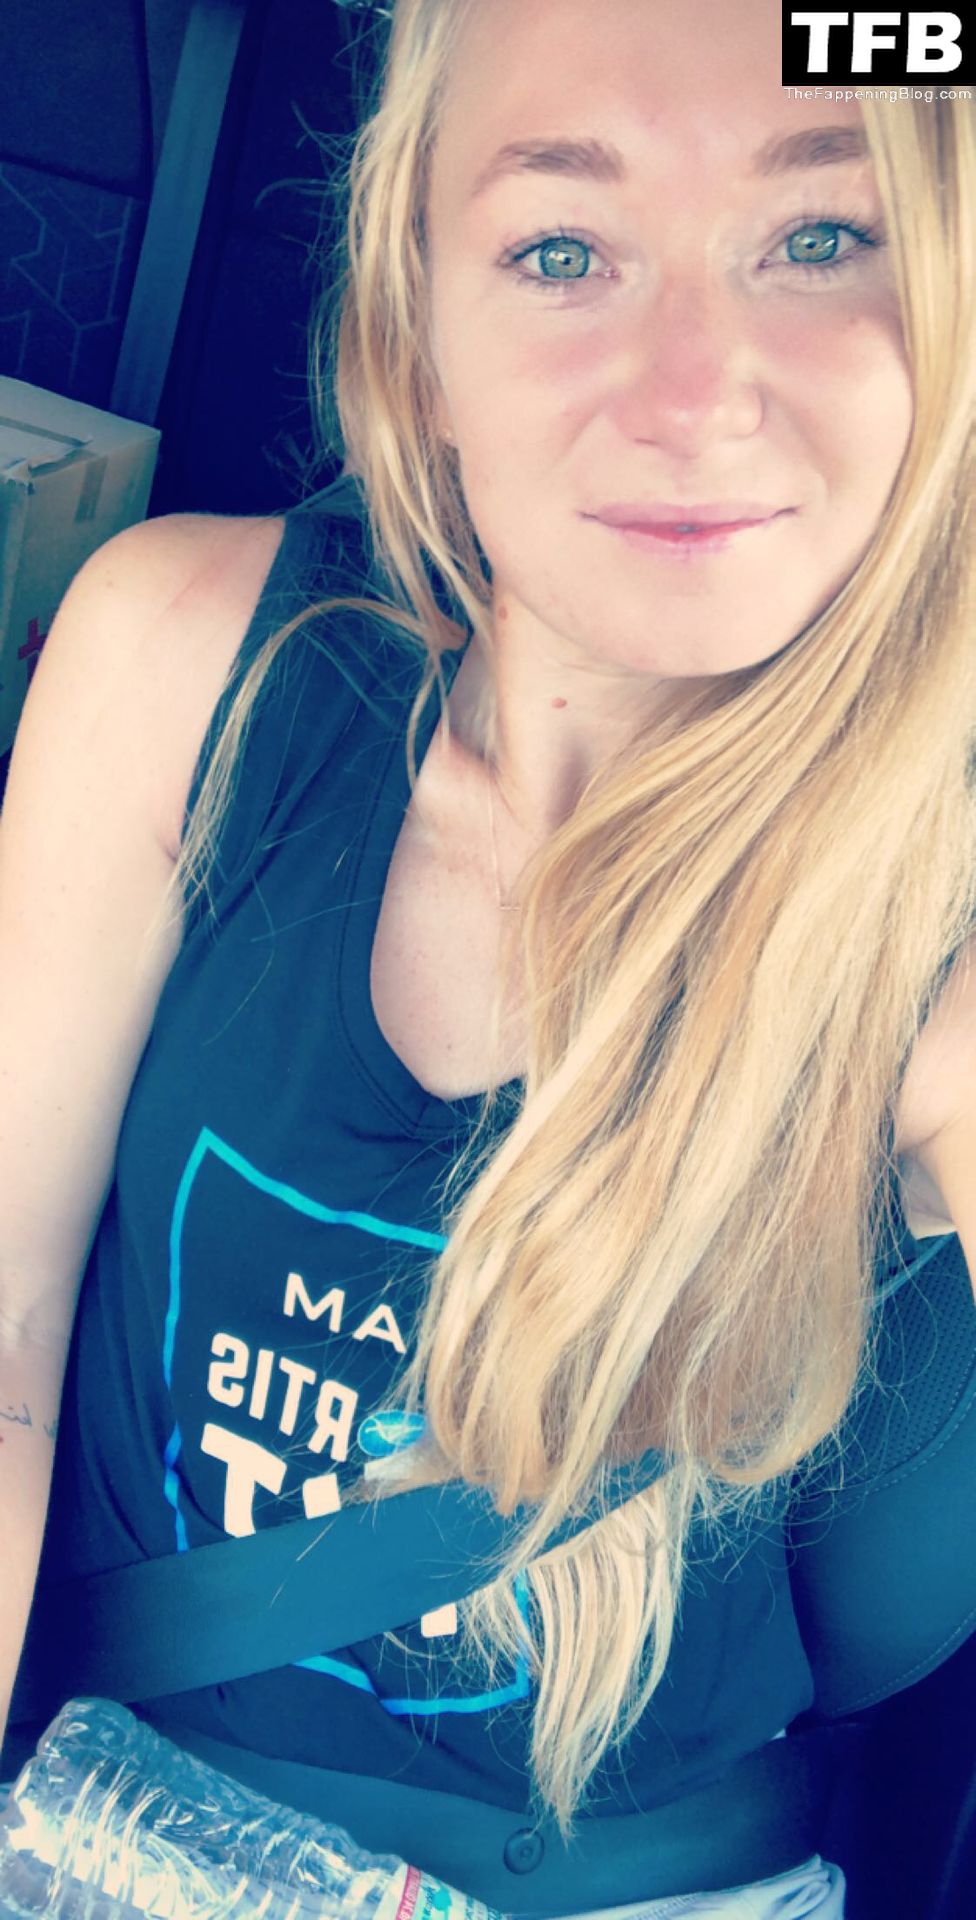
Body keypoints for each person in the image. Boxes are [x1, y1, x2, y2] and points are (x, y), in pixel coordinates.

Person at [1, 1, 974, 1915]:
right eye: (561, 250)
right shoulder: (187, 670)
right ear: (416, 334)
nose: (694, 392)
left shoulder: (941, 916)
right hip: (101, 1830)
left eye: (819, 234)